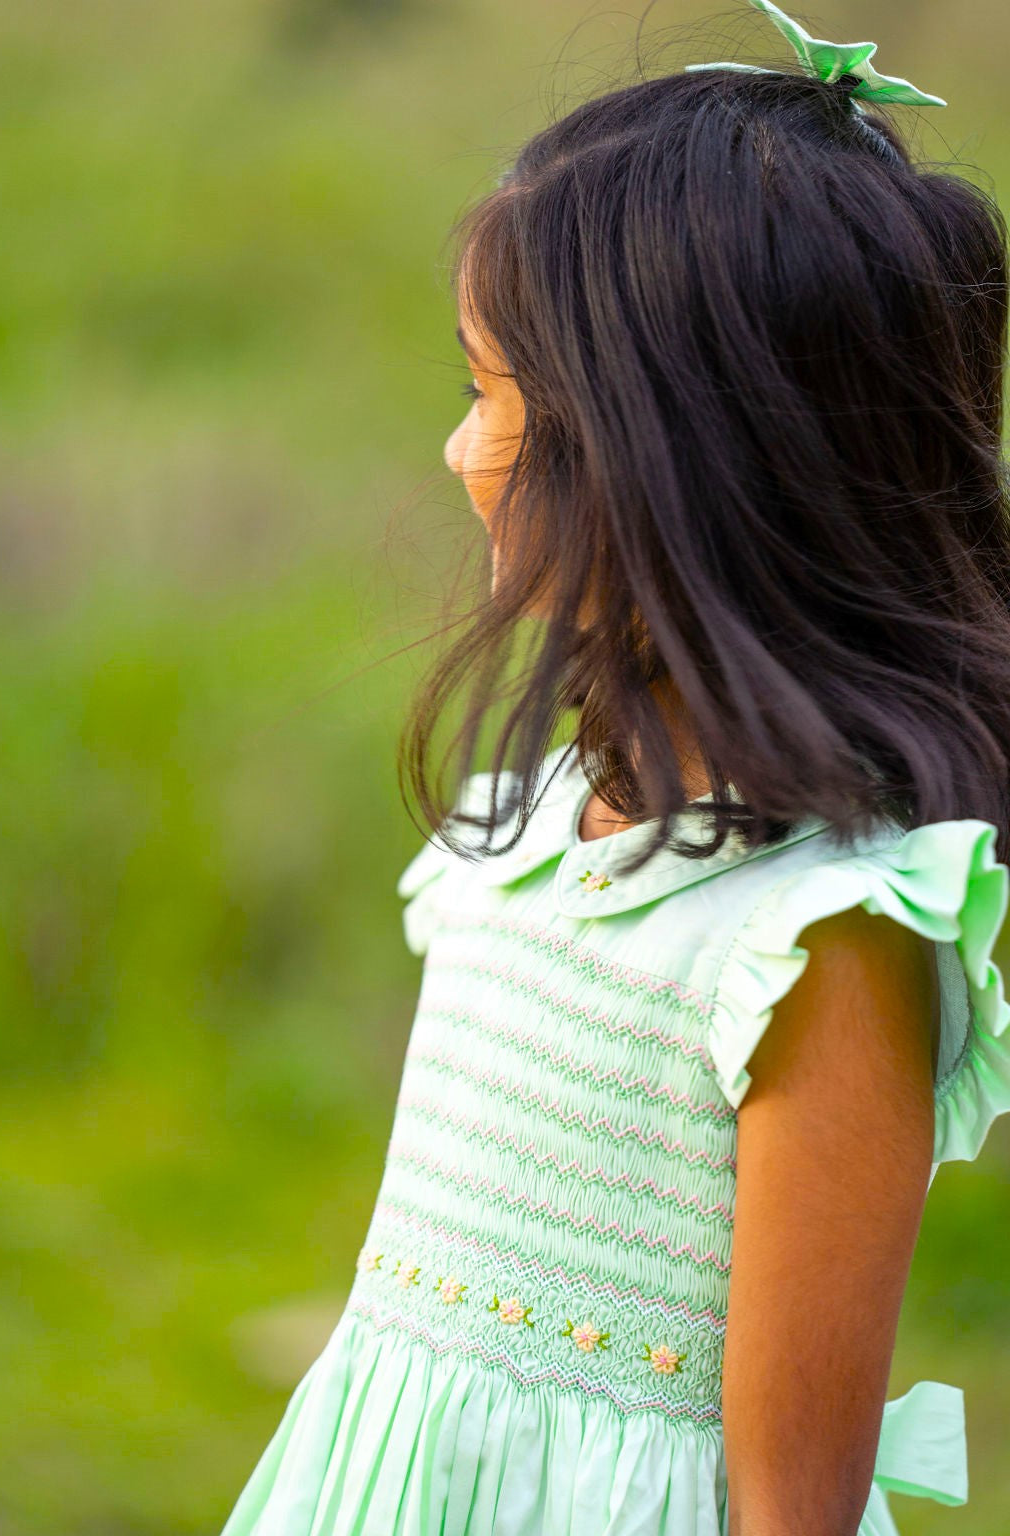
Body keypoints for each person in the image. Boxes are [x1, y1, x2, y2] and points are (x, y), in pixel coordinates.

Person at [219, 2, 1010, 1531]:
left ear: (666, 457)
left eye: (491, 394)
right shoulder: (524, 826)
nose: (461, 453)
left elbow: (796, 1504)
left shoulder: (819, 947)